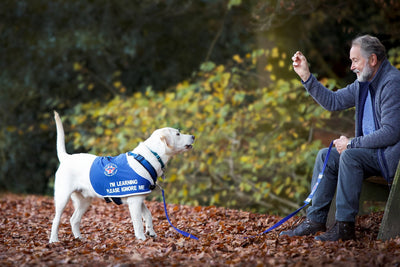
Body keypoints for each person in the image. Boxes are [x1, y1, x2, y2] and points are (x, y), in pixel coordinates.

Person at [280, 35, 400, 241]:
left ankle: (344, 227)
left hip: (388, 158)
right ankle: (315, 220)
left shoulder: (392, 83)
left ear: (372, 60)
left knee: (349, 156)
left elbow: (391, 132)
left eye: (355, 60)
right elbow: (333, 102)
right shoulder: (363, 83)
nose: (352, 66)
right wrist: (307, 77)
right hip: (370, 153)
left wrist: (352, 143)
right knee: (324, 155)